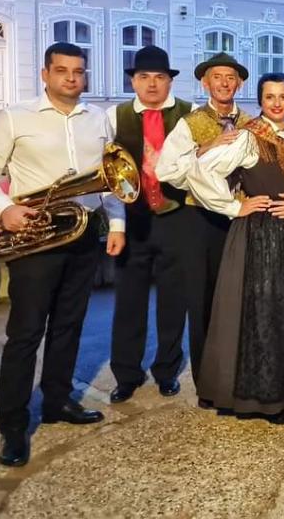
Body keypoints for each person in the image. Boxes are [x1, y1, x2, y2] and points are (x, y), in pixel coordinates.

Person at [0, 42, 126, 467]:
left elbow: (109, 179)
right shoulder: (15, 117)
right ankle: (13, 425)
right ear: (45, 74)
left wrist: (117, 224)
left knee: (69, 327)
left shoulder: (97, 119)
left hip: (82, 233)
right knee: (26, 333)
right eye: (61, 70)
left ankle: (57, 401)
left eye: (78, 71)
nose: (71, 78)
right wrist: (5, 208)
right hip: (34, 238)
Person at [187, 73, 284, 424]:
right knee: (266, 310)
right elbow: (200, 172)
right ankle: (270, 398)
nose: (277, 103)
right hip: (262, 235)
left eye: (283, 96)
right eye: (270, 97)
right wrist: (234, 206)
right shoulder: (249, 136)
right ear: (260, 101)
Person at [156, 52, 253, 386]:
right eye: (217, 77)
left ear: (240, 84)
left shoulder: (250, 122)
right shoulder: (190, 123)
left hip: (240, 217)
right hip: (199, 218)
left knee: (240, 293)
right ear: (205, 83)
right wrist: (205, 148)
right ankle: (207, 377)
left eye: (230, 78)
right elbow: (166, 170)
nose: (224, 83)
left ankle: (239, 369)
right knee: (201, 297)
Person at [106, 46, 190, 403]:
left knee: (174, 301)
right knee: (129, 301)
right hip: (134, 219)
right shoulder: (114, 117)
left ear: (170, 81)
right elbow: (108, 177)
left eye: (159, 77)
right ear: (133, 81)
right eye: (144, 77)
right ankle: (126, 374)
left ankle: (167, 370)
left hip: (176, 218)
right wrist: (116, 224)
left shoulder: (189, 114)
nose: (152, 84)